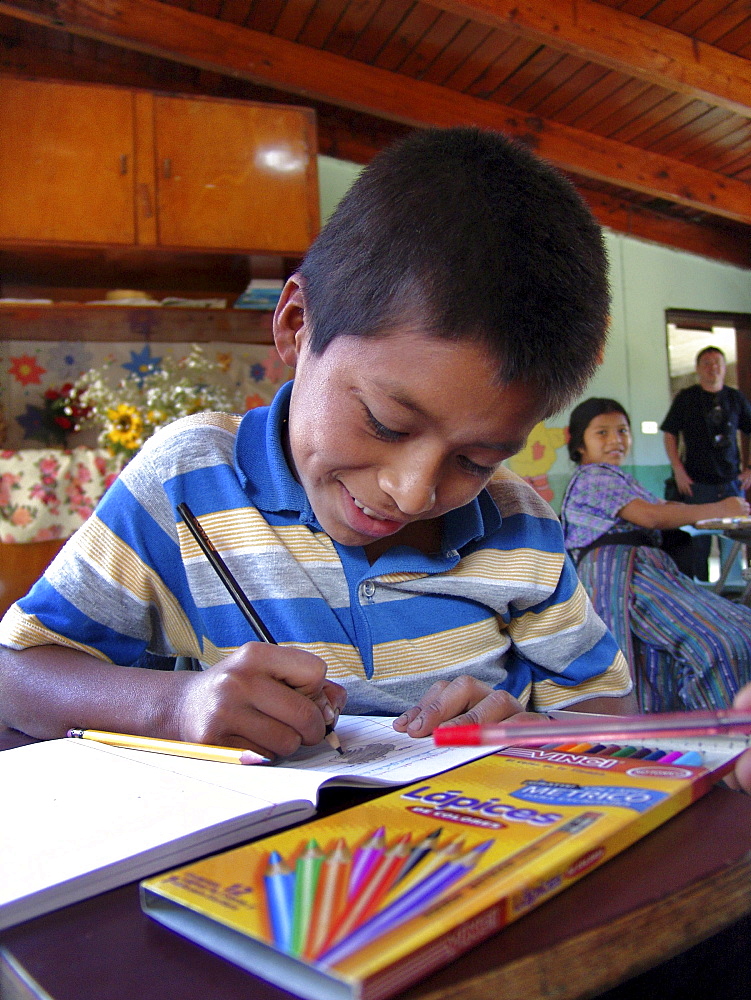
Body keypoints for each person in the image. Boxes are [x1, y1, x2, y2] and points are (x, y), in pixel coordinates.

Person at [0, 127, 636, 761]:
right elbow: (14, 675)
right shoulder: (186, 482)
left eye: (476, 460)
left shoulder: (518, 525)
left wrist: (525, 731)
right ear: (297, 326)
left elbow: (607, 708)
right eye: (386, 423)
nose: (412, 491)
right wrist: (177, 704)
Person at [561, 397, 751, 713]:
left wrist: (694, 510)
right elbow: (652, 517)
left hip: (643, 572)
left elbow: (667, 509)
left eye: (622, 431)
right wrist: (721, 507)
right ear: (578, 442)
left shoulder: (619, 478)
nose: (615, 441)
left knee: (657, 667)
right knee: (721, 641)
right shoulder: (592, 476)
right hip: (624, 575)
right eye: (602, 433)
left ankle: (696, 732)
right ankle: (727, 733)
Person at [661, 346, 751, 580]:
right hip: (696, 483)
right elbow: (669, 433)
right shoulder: (686, 398)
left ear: (723, 367)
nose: (713, 367)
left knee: (732, 543)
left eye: (717, 362)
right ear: (698, 369)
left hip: (731, 484)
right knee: (697, 544)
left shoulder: (735, 398)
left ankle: (731, 592)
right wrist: (678, 470)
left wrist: (750, 469)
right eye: (707, 363)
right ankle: (699, 591)